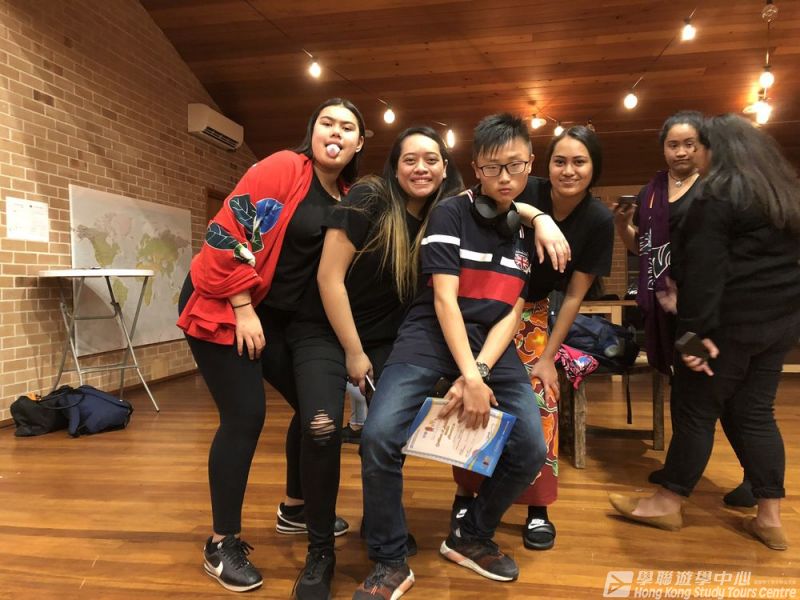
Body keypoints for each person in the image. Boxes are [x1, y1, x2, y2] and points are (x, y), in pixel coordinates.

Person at [353, 113, 548, 599]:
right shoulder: (450, 214)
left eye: (516, 165)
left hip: (491, 346)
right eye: (493, 167)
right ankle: (389, 559)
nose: (505, 177)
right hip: (430, 333)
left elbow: (513, 311)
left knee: (531, 450)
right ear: (476, 169)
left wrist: (478, 371)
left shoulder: (529, 229)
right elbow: (444, 299)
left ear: (530, 163)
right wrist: (470, 376)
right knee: (378, 436)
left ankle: (471, 535)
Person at [176, 98, 365, 593]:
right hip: (223, 300)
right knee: (245, 416)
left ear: (359, 143)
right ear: (312, 130)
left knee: (313, 407)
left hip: (273, 317)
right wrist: (242, 308)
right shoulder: (284, 168)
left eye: (347, 127)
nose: (336, 132)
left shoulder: (346, 196)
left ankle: (295, 508)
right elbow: (228, 232)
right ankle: (221, 544)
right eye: (327, 122)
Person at [284, 126, 463, 599]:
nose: (421, 168)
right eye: (410, 159)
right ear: (394, 166)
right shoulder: (369, 197)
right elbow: (329, 278)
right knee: (322, 429)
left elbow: (505, 199)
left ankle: (380, 524)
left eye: (431, 159)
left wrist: (539, 218)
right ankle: (320, 552)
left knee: (384, 434)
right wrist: (354, 352)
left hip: (388, 340)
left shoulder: (448, 213)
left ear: (445, 167)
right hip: (324, 330)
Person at [609, 113, 800, 551]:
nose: (695, 155)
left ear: (718, 150)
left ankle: (667, 502)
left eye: (700, 147)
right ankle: (769, 517)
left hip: (725, 328)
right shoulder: (784, 195)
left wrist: (691, 337)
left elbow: (705, 274)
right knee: (756, 412)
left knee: (694, 410)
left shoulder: (717, 196)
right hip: (779, 325)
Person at [452, 125, 614, 551]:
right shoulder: (528, 187)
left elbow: (575, 295)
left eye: (579, 162)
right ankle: (466, 493)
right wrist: (538, 218)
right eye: (560, 161)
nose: (568, 170)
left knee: (542, 404)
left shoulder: (598, 219)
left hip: (534, 315)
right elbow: (483, 201)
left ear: (594, 167)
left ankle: (537, 506)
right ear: (545, 165)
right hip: (487, 307)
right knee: (476, 399)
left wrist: (549, 358)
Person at [614, 111, 755, 507]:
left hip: (707, 310)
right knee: (685, 390)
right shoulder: (652, 192)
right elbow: (643, 248)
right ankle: (679, 467)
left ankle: (755, 478)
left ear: (703, 146)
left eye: (689, 144)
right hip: (670, 310)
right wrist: (623, 226)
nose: (681, 152)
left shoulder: (713, 188)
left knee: (721, 395)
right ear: (663, 149)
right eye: (673, 144)